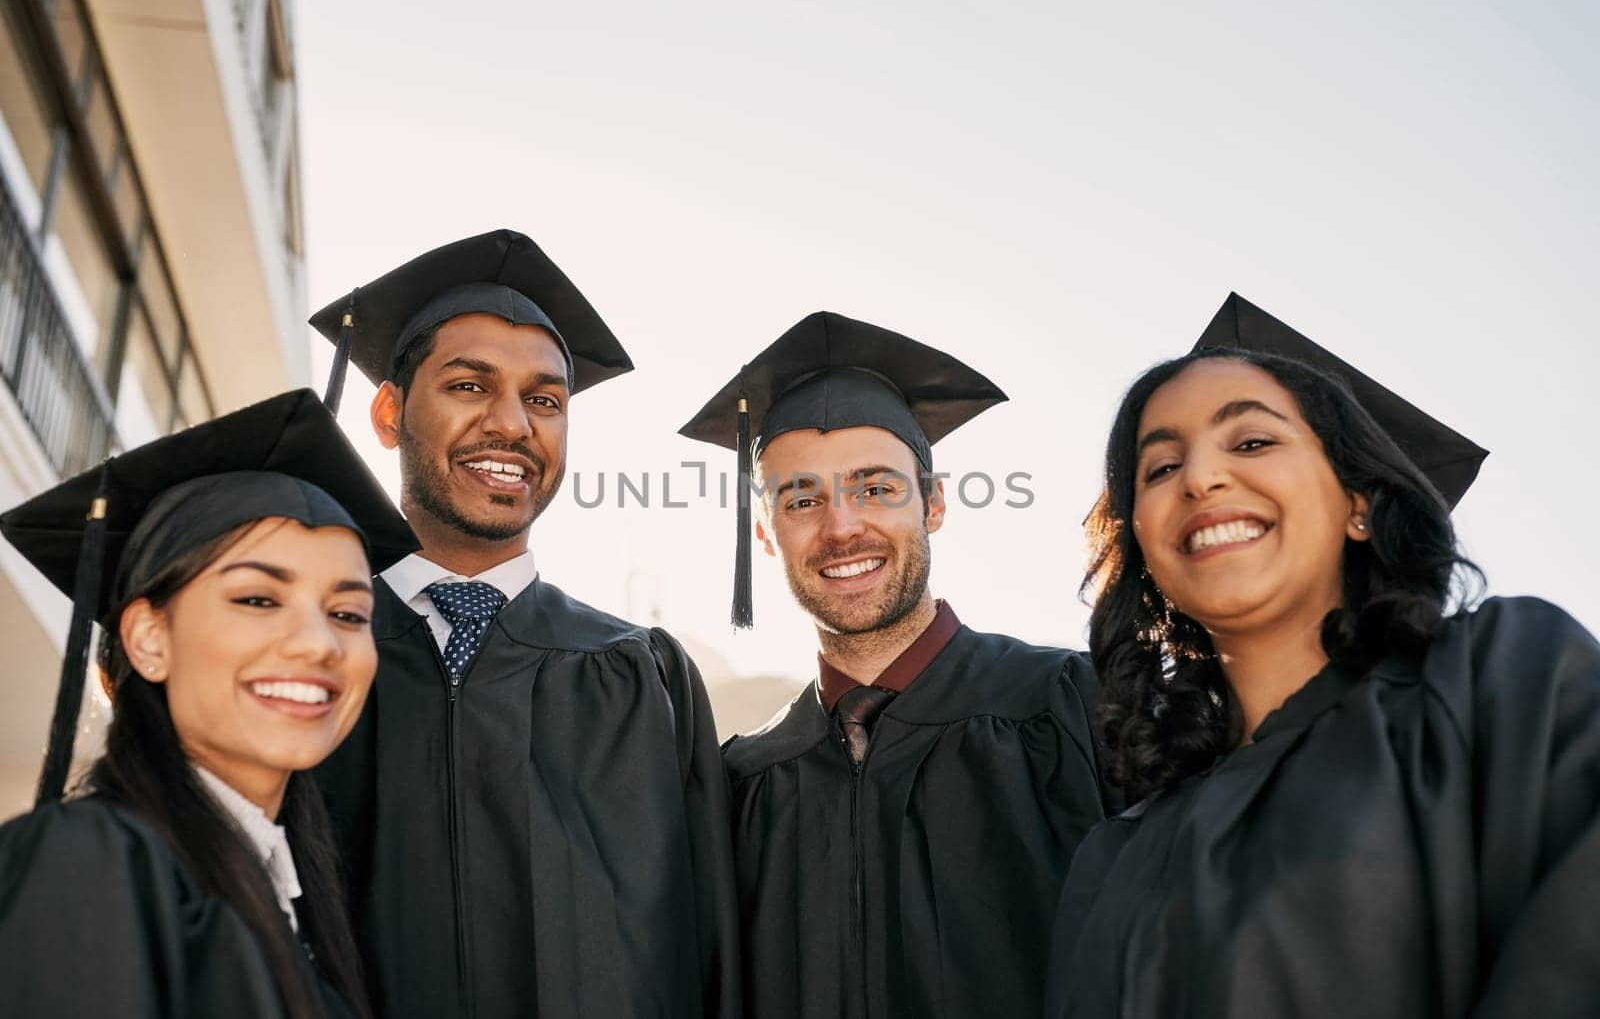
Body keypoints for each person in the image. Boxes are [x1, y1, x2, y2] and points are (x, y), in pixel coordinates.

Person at [1046, 294, 1600, 1017]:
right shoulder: (1115, 852)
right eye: (1160, 468)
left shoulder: (1502, 677)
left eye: (1250, 443)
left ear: (1358, 504)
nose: (1200, 478)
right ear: (1145, 551)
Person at [310, 229, 739, 1017]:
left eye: (544, 400)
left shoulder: (642, 674)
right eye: (470, 386)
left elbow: (710, 954)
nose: (512, 424)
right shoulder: (309, 660)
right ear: (389, 411)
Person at [679, 311, 1112, 1019]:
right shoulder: (744, 787)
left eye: (876, 489)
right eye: (802, 498)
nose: (842, 526)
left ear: (934, 503)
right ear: (765, 531)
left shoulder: (1076, 709)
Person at [0, 389, 417, 1018]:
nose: (318, 643)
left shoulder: (293, 901)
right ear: (149, 639)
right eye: (257, 599)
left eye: (348, 613)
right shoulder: (85, 863)